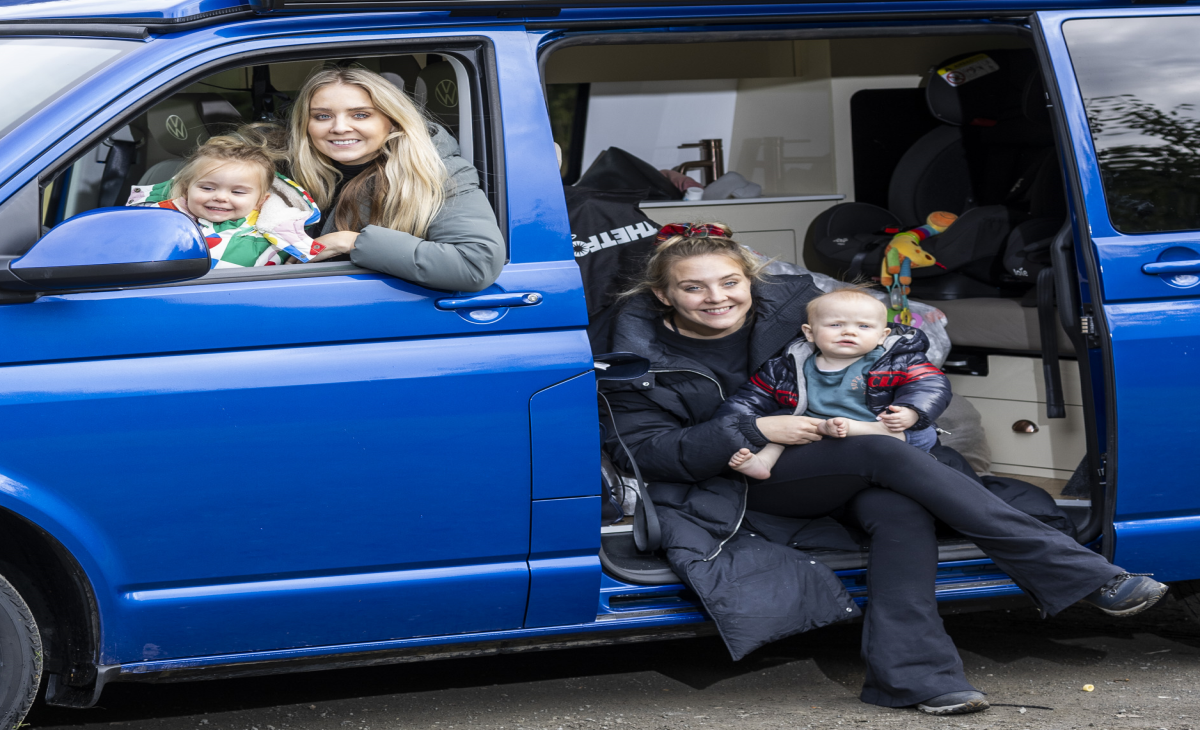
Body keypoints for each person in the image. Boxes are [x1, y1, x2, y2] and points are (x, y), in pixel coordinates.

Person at [597, 221, 1168, 716]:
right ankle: (1080, 573)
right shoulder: (636, 361)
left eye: (729, 282)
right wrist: (755, 429)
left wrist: (910, 402)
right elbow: (643, 453)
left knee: (898, 509)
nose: (715, 298)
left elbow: (900, 350)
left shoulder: (800, 317)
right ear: (663, 294)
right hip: (746, 482)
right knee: (881, 454)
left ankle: (915, 679)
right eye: (692, 288)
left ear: (750, 281)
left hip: (858, 459)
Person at [285, 66, 505, 292]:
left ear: (392, 120)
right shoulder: (284, 177)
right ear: (306, 124)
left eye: (360, 115)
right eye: (323, 116)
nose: (339, 128)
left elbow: (475, 265)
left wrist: (351, 242)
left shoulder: (439, 173)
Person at [724, 287, 949, 480]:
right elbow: (750, 397)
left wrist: (912, 411)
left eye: (864, 326)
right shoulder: (789, 364)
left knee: (924, 434)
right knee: (778, 427)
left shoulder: (896, 360)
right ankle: (763, 462)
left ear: (883, 335)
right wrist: (729, 426)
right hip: (816, 428)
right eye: (835, 324)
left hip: (876, 426)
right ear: (810, 333)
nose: (849, 331)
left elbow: (929, 383)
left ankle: (864, 430)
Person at [127, 127, 324, 267]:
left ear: (260, 201)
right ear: (187, 190)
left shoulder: (276, 237)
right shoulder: (159, 219)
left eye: (237, 192)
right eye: (207, 188)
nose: (221, 197)